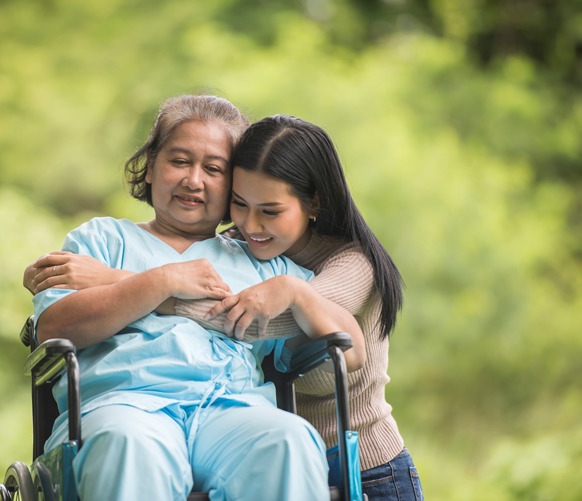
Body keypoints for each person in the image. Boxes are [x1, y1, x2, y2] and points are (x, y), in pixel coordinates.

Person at [27, 114, 424, 500]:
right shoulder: (99, 240)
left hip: (231, 409)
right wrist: (163, 278)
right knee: (127, 445)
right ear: (150, 167)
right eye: (179, 161)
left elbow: (351, 347)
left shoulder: (262, 261)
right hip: (126, 406)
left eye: (213, 169)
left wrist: (294, 291)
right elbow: (54, 328)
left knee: (287, 439)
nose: (193, 180)